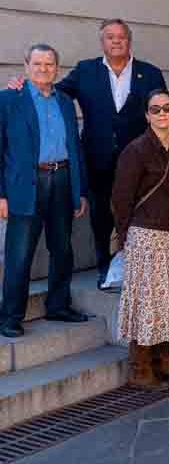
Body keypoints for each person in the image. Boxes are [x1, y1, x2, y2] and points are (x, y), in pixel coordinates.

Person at [7, 20, 168, 287]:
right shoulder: (86, 70)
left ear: (130, 41)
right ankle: (105, 268)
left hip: (140, 160)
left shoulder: (149, 74)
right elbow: (52, 90)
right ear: (101, 42)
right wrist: (24, 85)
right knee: (102, 216)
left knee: (142, 214)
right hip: (98, 159)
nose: (116, 41)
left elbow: (162, 112)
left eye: (121, 37)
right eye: (110, 37)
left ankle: (141, 268)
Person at [111, 89, 169, 390]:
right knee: (146, 301)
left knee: (168, 297)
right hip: (144, 233)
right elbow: (121, 198)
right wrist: (124, 236)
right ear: (147, 115)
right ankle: (140, 367)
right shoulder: (135, 151)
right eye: (155, 109)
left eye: (167, 108)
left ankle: (164, 358)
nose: (162, 113)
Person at [0, 44, 89, 338]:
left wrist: (80, 190)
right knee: (19, 254)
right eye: (37, 64)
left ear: (57, 69)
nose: (43, 69)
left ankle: (58, 305)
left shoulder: (64, 102)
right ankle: (10, 317)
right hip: (26, 185)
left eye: (49, 64)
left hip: (62, 179)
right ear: (26, 66)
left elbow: (75, 148)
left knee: (62, 249)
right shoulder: (9, 100)